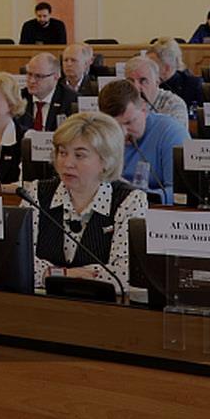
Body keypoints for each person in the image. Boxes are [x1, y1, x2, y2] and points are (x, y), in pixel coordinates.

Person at [32, 112, 149, 293]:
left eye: (79, 155)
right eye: (62, 153)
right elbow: (18, 261)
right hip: (40, 304)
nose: (67, 163)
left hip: (101, 307)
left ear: (106, 160)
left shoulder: (130, 200)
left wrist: (47, 274)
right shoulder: (37, 193)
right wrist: (66, 274)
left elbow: (126, 273)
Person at [98, 80, 188, 203]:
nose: (123, 133)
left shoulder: (171, 132)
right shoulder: (99, 135)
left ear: (144, 110)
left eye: (129, 122)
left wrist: (135, 195)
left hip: (152, 209)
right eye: (114, 126)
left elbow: (180, 194)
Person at [18, 52, 76, 132]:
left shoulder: (71, 100)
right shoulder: (18, 98)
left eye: (38, 76)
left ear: (56, 76)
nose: (32, 81)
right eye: (29, 74)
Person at [125, 56, 189, 128]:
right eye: (130, 81)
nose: (135, 87)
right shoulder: (123, 102)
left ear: (157, 82)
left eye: (143, 80)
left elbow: (173, 133)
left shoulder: (173, 104)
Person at [148, 38, 202, 109]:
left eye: (152, 66)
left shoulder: (193, 85)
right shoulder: (145, 83)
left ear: (167, 68)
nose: (148, 69)